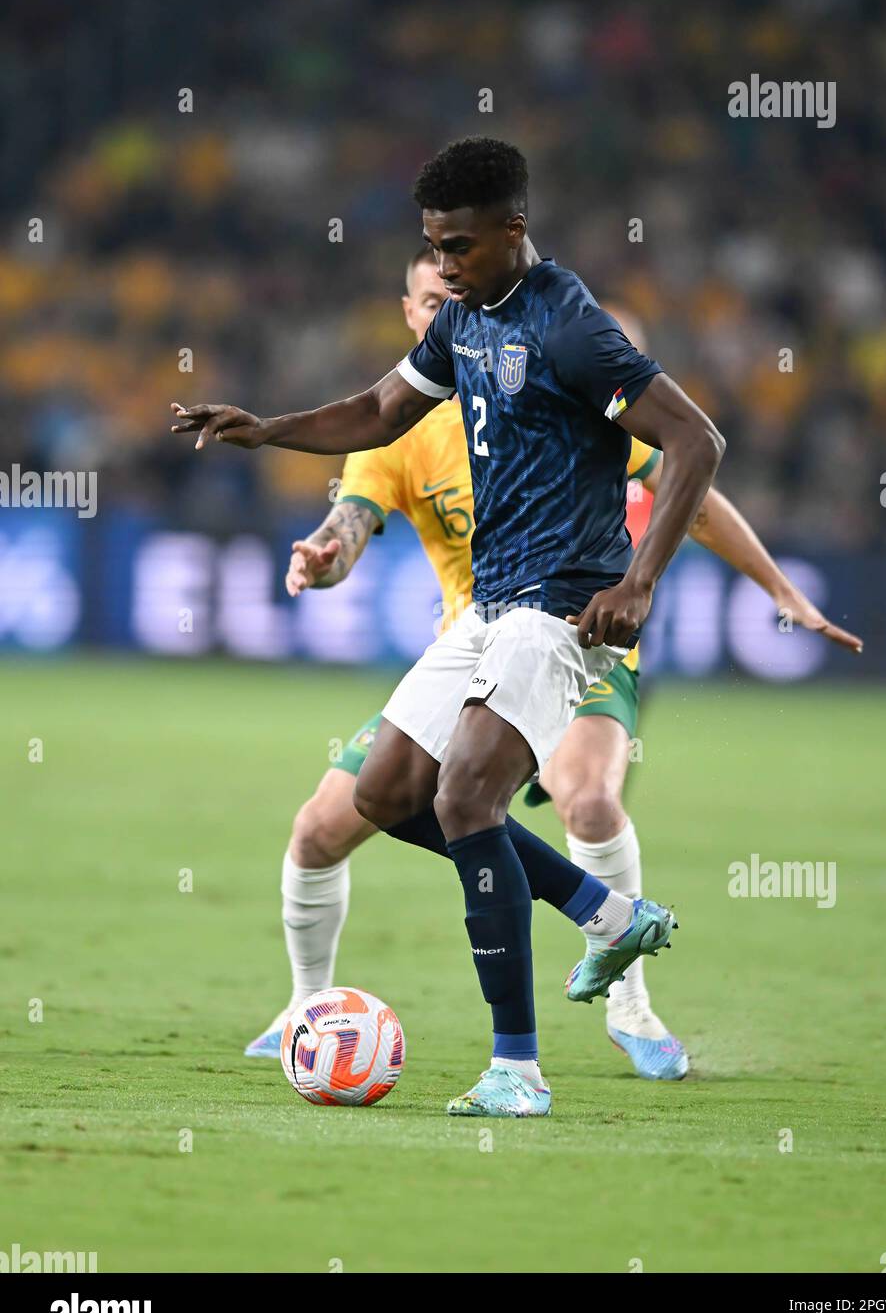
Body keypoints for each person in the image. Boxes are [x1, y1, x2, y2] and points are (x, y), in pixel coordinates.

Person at [173, 135, 729, 1117]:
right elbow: (380, 408)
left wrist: (640, 582)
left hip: (563, 603)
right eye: (432, 247)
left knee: (469, 799)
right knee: (387, 792)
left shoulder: (570, 323)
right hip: (486, 607)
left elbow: (695, 438)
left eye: (461, 246)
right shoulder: (463, 319)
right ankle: (605, 912)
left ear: (514, 228)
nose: (445, 265)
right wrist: (269, 428)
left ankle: (517, 1067)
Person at [244, 261, 863, 1087]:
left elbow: (696, 482)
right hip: (473, 638)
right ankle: (307, 1005)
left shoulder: (547, 369)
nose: (451, 309)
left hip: (576, 630)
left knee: (586, 797)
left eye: (457, 292)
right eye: (433, 300)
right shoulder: (414, 420)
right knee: (330, 823)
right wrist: (327, 554)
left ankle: (623, 1007)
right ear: (411, 314)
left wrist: (776, 585)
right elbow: (350, 515)